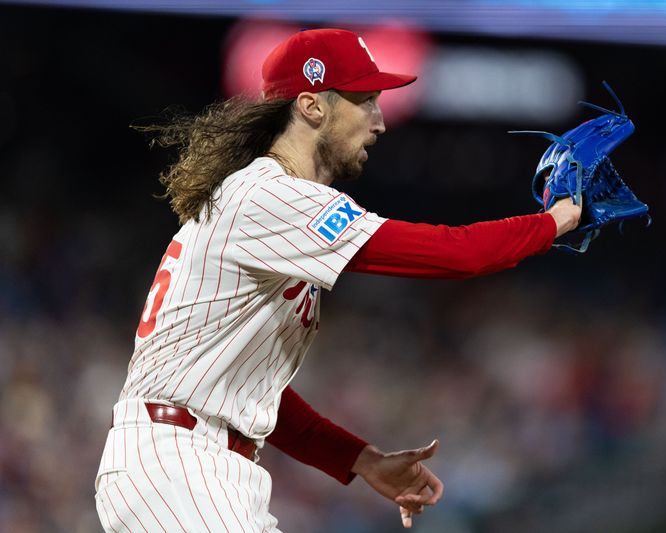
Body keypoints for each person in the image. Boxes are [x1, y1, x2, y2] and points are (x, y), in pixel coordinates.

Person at [95, 28, 581, 532]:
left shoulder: (266, 209)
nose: (380, 121)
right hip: (176, 464)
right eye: (366, 100)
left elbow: (257, 395)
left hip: (201, 465)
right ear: (311, 106)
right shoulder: (269, 196)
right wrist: (556, 220)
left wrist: (361, 460)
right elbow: (451, 254)